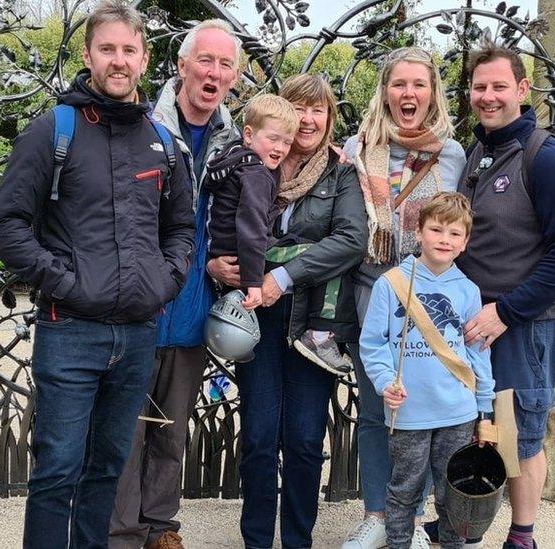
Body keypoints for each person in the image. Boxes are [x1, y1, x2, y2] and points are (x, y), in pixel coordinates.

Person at [0, 3, 195, 548]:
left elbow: (181, 228)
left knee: (107, 468)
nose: (118, 61)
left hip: (138, 334)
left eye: (129, 50)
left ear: (145, 59)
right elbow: (6, 222)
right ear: (88, 56)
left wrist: (165, 281)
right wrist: (64, 281)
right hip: (69, 331)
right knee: (56, 472)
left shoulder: (162, 142)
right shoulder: (54, 129)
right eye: (107, 49)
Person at [208, 73, 367, 549]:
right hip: (258, 317)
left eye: (319, 110)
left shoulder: (340, 173)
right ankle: (256, 539)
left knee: (301, 440)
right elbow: (210, 224)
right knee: (257, 436)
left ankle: (298, 539)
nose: (309, 118)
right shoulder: (250, 164)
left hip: (314, 319)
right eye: (300, 107)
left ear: (330, 119)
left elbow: (351, 239)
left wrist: (280, 276)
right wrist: (215, 262)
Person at [109, 18, 240, 549]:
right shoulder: (145, 125)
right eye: (204, 61)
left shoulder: (237, 139)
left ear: (233, 77)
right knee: (125, 428)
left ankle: (162, 526)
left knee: (170, 428)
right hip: (138, 305)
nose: (213, 72)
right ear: (181, 66)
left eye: (225, 64)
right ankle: (122, 533)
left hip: (191, 308)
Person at [457, 43, 555, 549]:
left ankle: (523, 535)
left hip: (523, 325)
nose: (488, 97)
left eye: (498, 86)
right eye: (479, 87)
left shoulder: (546, 157)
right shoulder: (479, 151)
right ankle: (467, 527)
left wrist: (508, 312)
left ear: (523, 89)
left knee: (518, 435)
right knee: (482, 431)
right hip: (476, 321)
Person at [340, 46, 468, 549]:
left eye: (418, 84)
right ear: (385, 91)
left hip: (429, 303)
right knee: (377, 413)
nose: (408, 93)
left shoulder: (452, 154)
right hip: (374, 294)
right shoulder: (356, 148)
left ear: (432, 91)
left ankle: (411, 522)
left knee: (426, 417)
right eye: (399, 84)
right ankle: (377, 515)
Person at [360, 192, 496, 549]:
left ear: (465, 242)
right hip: (409, 410)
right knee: (404, 489)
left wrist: (485, 409)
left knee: (453, 492)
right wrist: (385, 381)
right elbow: (372, 343)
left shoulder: (468, 290)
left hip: (457, 411)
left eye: (454, 234)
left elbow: (478, 352)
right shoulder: (390, 284)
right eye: (436, 230)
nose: (444, 240)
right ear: (419, 232)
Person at [204, 94, 298, 309]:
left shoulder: (235, 157)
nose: (280, 148)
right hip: (239, 255)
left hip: (222, 248)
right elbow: (252, 228)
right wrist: (253, 283)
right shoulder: (256, 175)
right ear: (248, 134)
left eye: (287, 142)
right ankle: (319, 330)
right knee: (314, 254)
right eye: (273, 139)